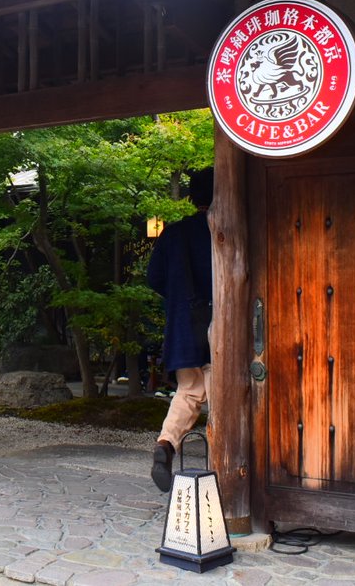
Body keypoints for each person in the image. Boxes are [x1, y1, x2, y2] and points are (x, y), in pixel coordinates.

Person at [145, 168, 214, 491]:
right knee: (223, 400)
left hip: (184, 327)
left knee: (189, 391)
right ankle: (227, 475)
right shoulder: (225, 229)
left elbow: (154, 278)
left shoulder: (173, 234)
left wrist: (179, 302)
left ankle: (165, 446)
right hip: (220, 325)